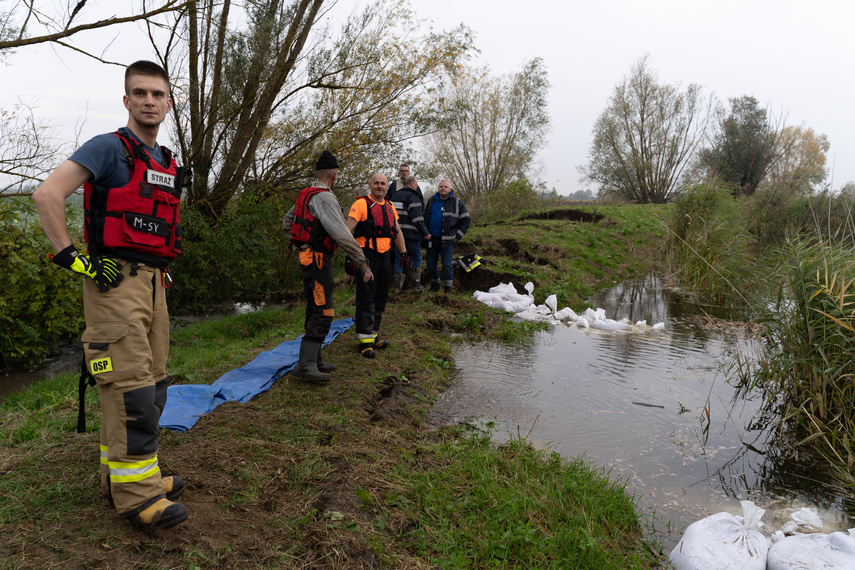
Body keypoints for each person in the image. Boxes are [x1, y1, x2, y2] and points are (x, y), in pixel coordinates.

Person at [32, 60, 189, 529]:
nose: (148, 101)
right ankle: (138, 496)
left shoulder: (165, 162)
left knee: (152, 386)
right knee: (131, 389)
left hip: (153, 284)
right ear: (126, 100)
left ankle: (121, 476)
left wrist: (159, 272)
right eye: (139, 93)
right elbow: (47, 195)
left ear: (167, 103)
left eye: (157, 94)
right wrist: (71, 257)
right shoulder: (107, 149)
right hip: (113, 282)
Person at [283, 151, 374, 383]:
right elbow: (343, 235)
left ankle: (315, 359)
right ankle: (305, 365)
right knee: (323, 307)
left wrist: (300, 246)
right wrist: (362, 263)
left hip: (307, 257)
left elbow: (287, 222)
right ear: (334, 176)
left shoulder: (306, 195)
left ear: (316, 174)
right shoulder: (325, 198)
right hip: (319, 260)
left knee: (315, 304)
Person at [346, 173, 407, 358]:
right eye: (376, 183)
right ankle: (364, 341)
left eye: (383, 183)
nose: (380, 186)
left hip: (385, 256)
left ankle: (373, 334)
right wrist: (352, 256)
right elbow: (347, 230)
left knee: (381, 297)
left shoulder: (389, 206)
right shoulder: (361, 204)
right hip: (366, 256)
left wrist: (403, 252)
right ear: (370, 185)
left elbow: (396, 231)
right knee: (367, 296)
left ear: (387, 186)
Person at [424, 180, 471, 293]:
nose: (443, 188)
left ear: (450, 189)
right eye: (441, 186)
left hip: (447, 240)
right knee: (430, 264)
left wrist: (457, 236)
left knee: (447, 265)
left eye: (445, 187)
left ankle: (447, 290)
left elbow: (466, 220)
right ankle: (435, 287)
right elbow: (426, 217)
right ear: (438, 188)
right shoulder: (431, 200)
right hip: (432, 239)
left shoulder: (457, 202)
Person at [389, 175, 430, 294]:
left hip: (397, 234)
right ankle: (416, 286)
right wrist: (425, 233)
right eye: (416, 185)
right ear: (413, 185)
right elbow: (417, 218)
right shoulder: (413, 196)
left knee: (399, 258)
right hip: (411, 234)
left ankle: (398, 287)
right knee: (417, 257)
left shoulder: (395, 196)